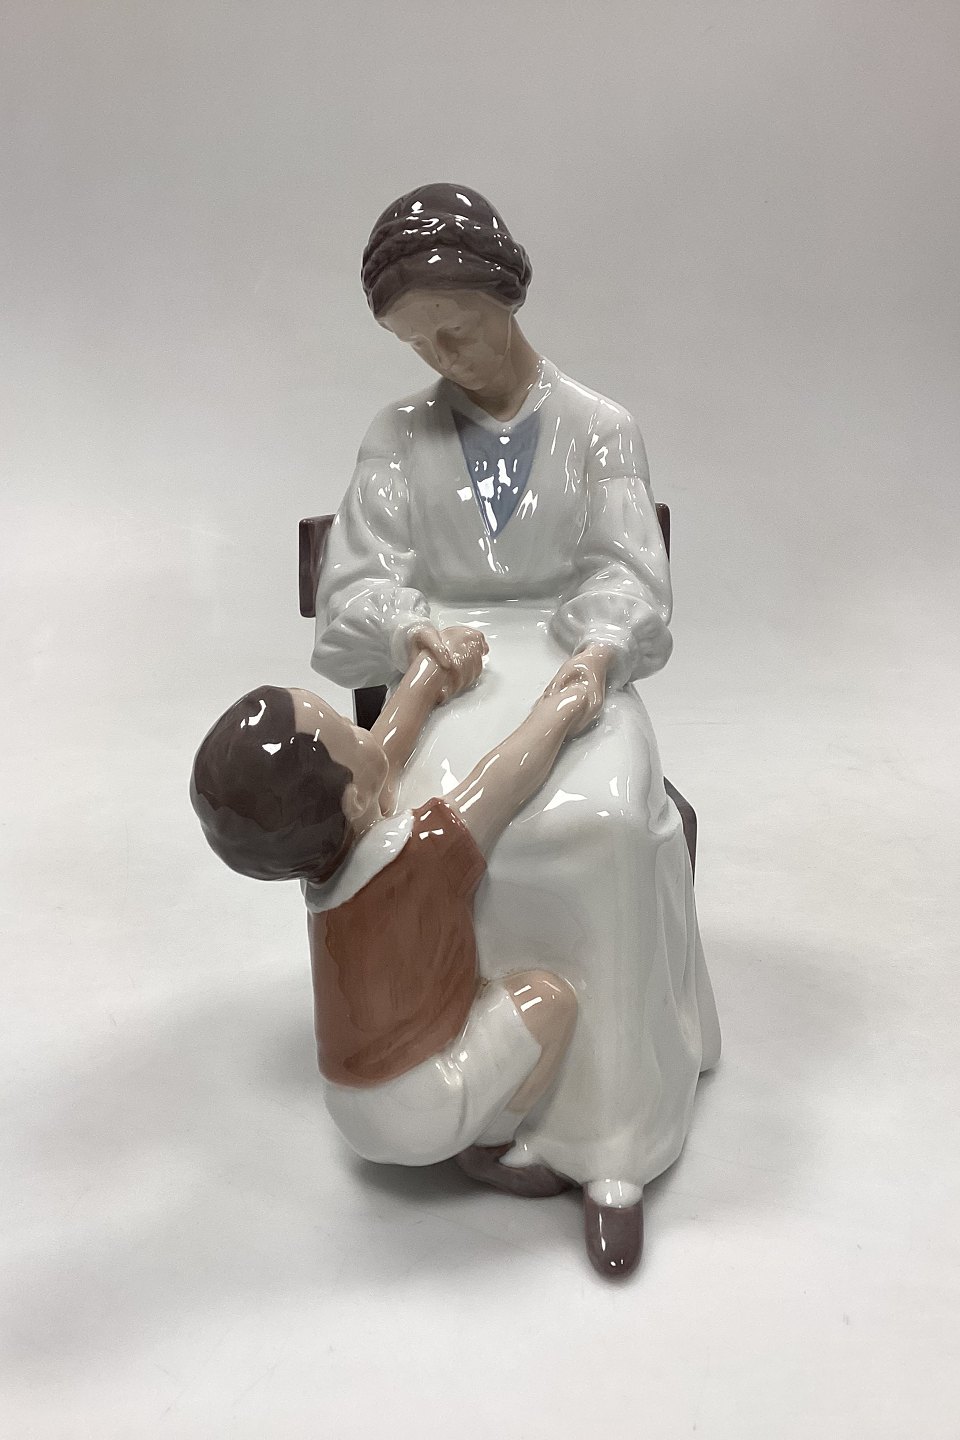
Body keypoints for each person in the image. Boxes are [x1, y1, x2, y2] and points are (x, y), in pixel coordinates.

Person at [310, 183, 722, 1277]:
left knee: (600, 825)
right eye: (417, 341)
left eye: (458, 326)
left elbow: (630, 574)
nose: (443, 355)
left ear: (507, 297)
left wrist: (599, 650)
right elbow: (355, 587)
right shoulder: (396, 437)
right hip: (447, 676)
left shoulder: (599, 429)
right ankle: (473, 1083)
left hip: (571, 663)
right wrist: (411, 627)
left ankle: (612, 1138)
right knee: (417, 832)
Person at [190, 629, 605, 1195]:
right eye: (345, 728)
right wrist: (563, 708)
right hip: (422, 1105)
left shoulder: (322, 865)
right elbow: (501, 778)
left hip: (349, 1106)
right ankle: (489, 1145)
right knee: (548, 1003)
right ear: (354, 800)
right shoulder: (419, 855)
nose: (362, 730)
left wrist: (429, 674)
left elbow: (374, 761)